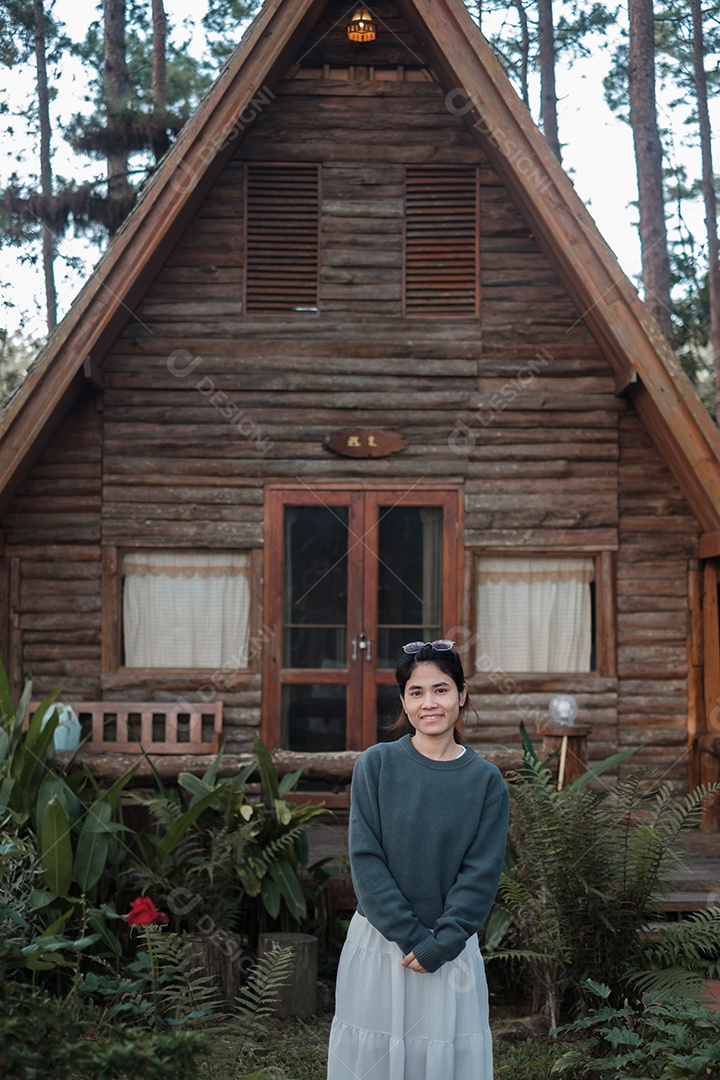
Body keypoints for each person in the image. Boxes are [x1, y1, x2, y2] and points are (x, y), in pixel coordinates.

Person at [327, 639, 510, 1080]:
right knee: (374, 1058)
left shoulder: (486, 781)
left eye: (441, 690)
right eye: (416, 692)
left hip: (450, 952)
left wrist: (440, 944)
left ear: (461, 695)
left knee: (441, 1058)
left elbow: (480, 874)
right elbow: (366, 861)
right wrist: (411, 938)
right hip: (381, 945)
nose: (430, 703)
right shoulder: (376, 765)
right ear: (404, 701)